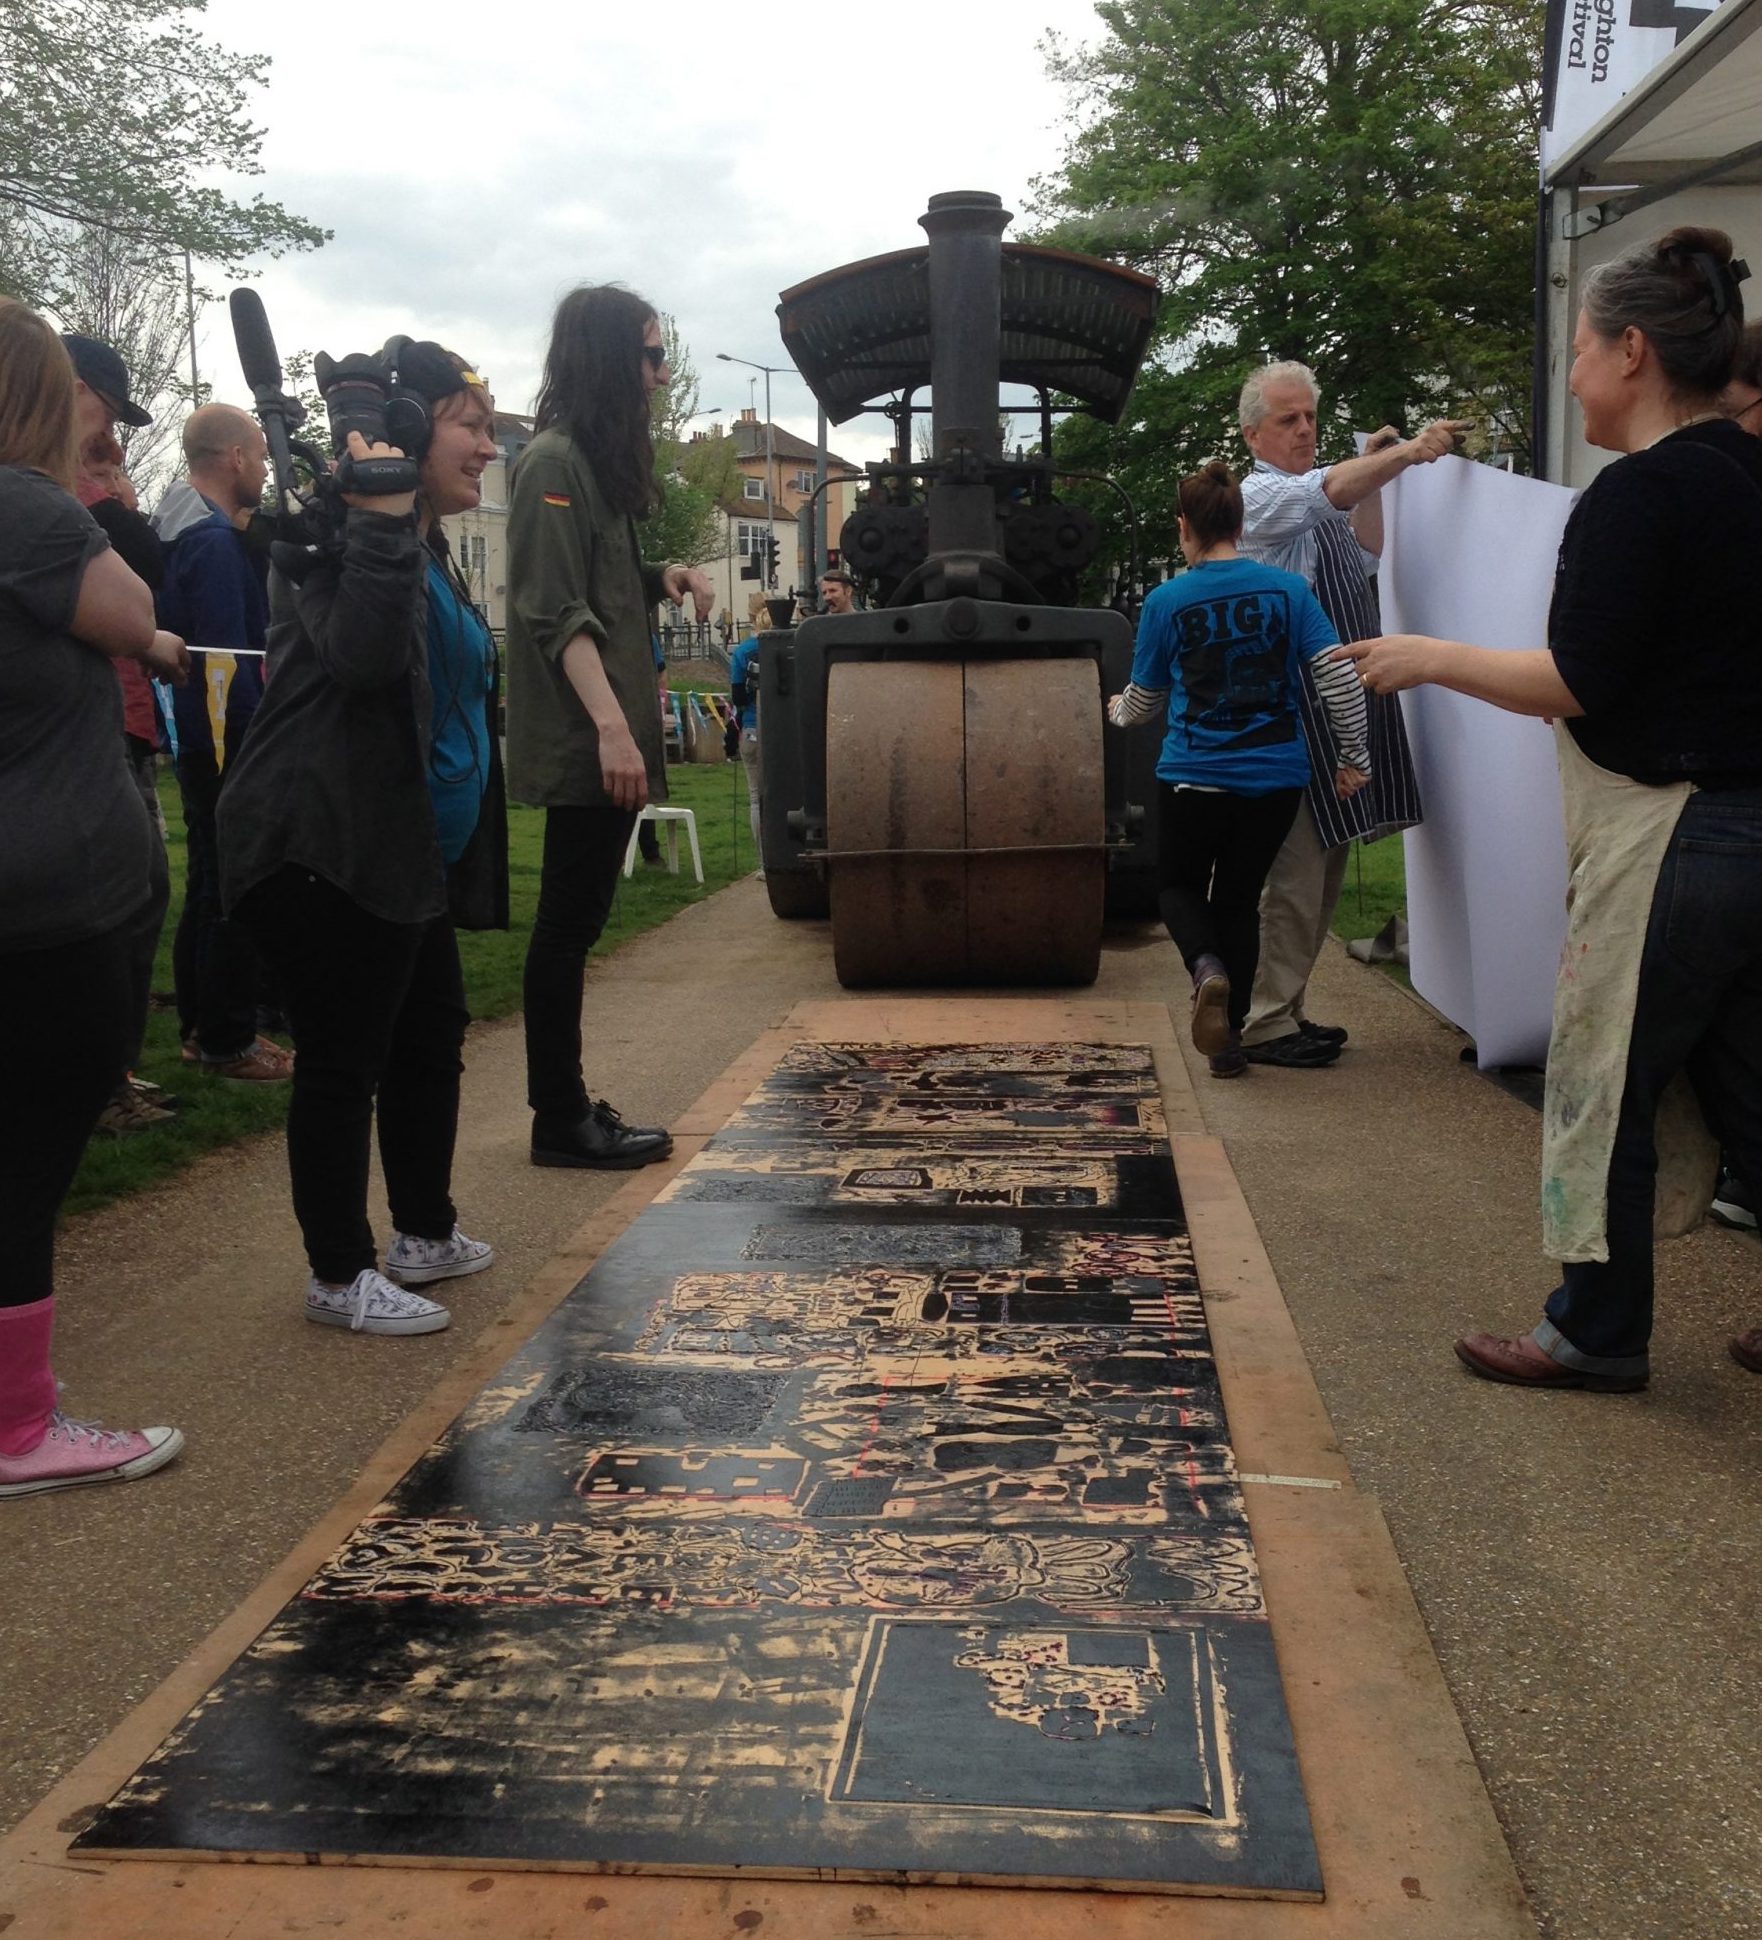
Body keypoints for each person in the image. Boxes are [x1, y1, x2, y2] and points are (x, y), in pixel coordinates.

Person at [1338, 227, 1762, 1393]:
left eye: (1579, 350)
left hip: (1671, 836)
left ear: (1632, 351)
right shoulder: (1746, 473)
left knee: (1603, 1087)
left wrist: (1427, 656)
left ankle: (1595, 1329)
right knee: (1746, 1084)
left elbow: (1575, 681)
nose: (1570, 374)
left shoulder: (1640, 494)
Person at [218, 343, 508, 1336]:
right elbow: (362, 658)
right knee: (345, 1058)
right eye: (471, 424)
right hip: (320, 842)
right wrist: (378, 518)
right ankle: (339, 1275)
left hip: (396, 846)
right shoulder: (342, 534)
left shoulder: (414, 542)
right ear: (414, 428)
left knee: (428, 1035)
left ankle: (422, 1233)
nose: (487, 445)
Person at [0, 299, 189, 1494]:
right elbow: (135, 616)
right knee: (27, 1158)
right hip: (48, 896)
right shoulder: (22, 505)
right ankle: (21, 1427)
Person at [505, 285, 712, 1169]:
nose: (663, 376)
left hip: (606, 729)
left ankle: (567, 1106)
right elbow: (556, 611)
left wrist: (660, 570)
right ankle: (560, 1119)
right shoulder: (551, 463)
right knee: (565, 927)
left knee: (576, 923)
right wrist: (613, 730)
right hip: (589, 735)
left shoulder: (591, 466)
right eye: (652, 356)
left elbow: (598, 580)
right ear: (607, 360)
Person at [1235, 362, 1466, 1067]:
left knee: (1325, 869)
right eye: (1288, 421)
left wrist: (1378, 470)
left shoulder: (1321, 499)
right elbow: (1327, 490)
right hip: (1293, 711)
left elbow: (1367, 545)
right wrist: (1409, 452)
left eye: (1310, 416)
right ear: (1254, 434)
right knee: (1296, 875)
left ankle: (1290, 1009)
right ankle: (1264, 1021)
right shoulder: (1258, 496)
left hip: (1338, 707)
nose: (1305, 429)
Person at [1108, 461, 1370, 1076]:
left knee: (1176, 886)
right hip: (1275, 780)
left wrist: (1117, 712)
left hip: (1193, 777)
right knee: (1237, 900)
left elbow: (1144, 701)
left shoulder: (1167, 600)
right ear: (1241, 521)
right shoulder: (1288, 591)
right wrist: (1352, 756)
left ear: (1184, 528)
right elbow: (1337, 675)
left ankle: (1206, 969)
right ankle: (1228, 1044)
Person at [154, 403, 290, 1082]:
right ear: (233, 456)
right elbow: (230, 665)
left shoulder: (187, 531)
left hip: (206, 742)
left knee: (209, 881)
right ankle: (227, 1039)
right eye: (262, 455)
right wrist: (258, 745)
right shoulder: (209, 545)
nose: (266, 469)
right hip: (226, 742)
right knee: (229, 888)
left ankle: (200, 1029)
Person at [729, 627, 764, 872]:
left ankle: (764, 863)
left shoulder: (742, 651)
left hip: (751, 728)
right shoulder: (788, 642)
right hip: (782, 728)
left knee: (756, 798)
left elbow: (738, 697)